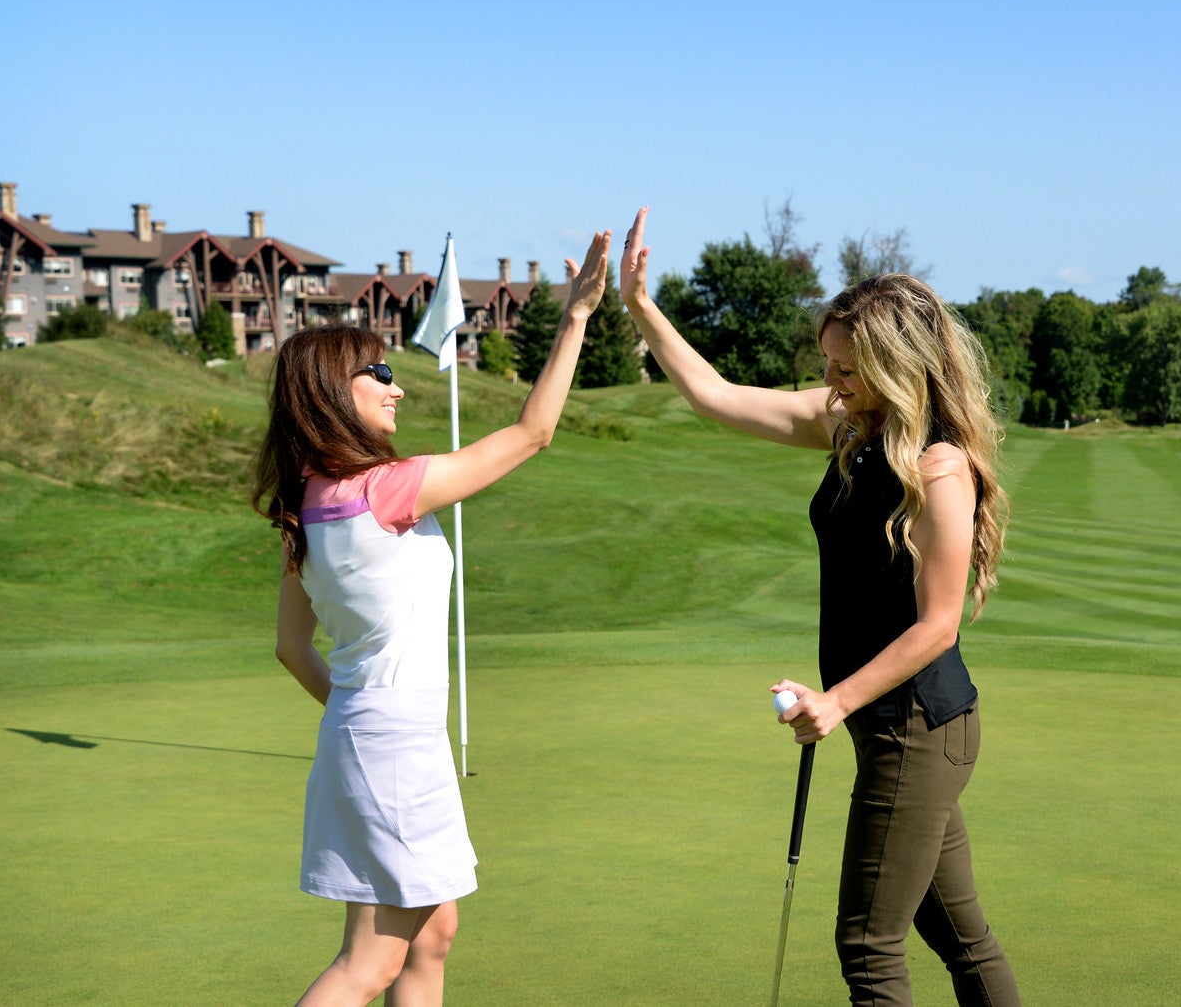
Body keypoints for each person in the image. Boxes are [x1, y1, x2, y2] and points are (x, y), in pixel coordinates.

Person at [619, 208, 1019, 1006]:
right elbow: (717, 398)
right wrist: (641, 306)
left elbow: (938, 625)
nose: (831, 385)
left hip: (918, 727)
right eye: (828, 367)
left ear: (893, 365)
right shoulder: (855, 430)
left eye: (845, 369)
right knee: (962, 940)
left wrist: (835, 700)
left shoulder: (939, 467)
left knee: (869, 949)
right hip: (895, 729)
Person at [251, 229, 610, 1006]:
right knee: (369, 963)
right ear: (331, 390)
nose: (397, 386)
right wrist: (577, 317)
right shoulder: (385, 487)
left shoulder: (303, 507)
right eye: (378, 372)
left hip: (367, 737)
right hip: (394, 747)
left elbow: (290, 647)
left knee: (433, 933)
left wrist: (362, 708)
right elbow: (532, 434)